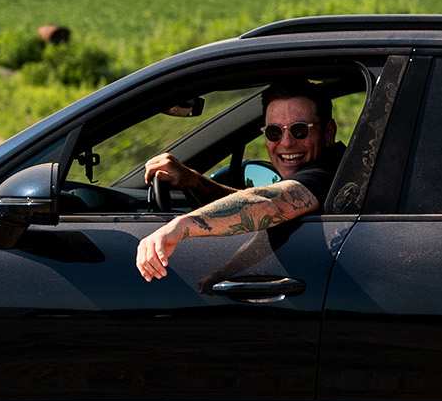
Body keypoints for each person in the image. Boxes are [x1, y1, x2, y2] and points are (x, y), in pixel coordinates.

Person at [134, 79, 345, 282]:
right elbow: (251, 209)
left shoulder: (330, 173)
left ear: (328, 132)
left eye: (300, 130)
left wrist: (181, 226)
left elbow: (268, 205)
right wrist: (195, 182)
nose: (287, 143)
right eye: (274, 132)